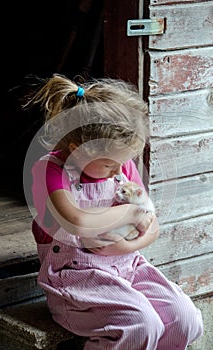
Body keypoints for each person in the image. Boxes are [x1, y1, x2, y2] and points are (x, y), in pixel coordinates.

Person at [24, 74, 203, 350]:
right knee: (141, 324)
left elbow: (151, 225)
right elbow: (78, 222)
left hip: (128, 265)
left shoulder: (121, 166)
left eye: (124, 162)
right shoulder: (51, 170)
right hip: (75, 280)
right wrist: (131, 215)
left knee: (184, 318)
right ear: (78, 151)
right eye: (109, 164)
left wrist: (126, 245)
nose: (119, 171)